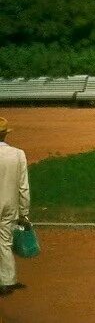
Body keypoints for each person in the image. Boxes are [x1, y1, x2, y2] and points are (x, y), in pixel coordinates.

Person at [0, 117, 31, 297]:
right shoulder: (18, 154)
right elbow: (23, 186)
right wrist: (24, 211)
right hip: (10, 205)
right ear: (5, 134)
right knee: (5, 241)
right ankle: (8, 280)